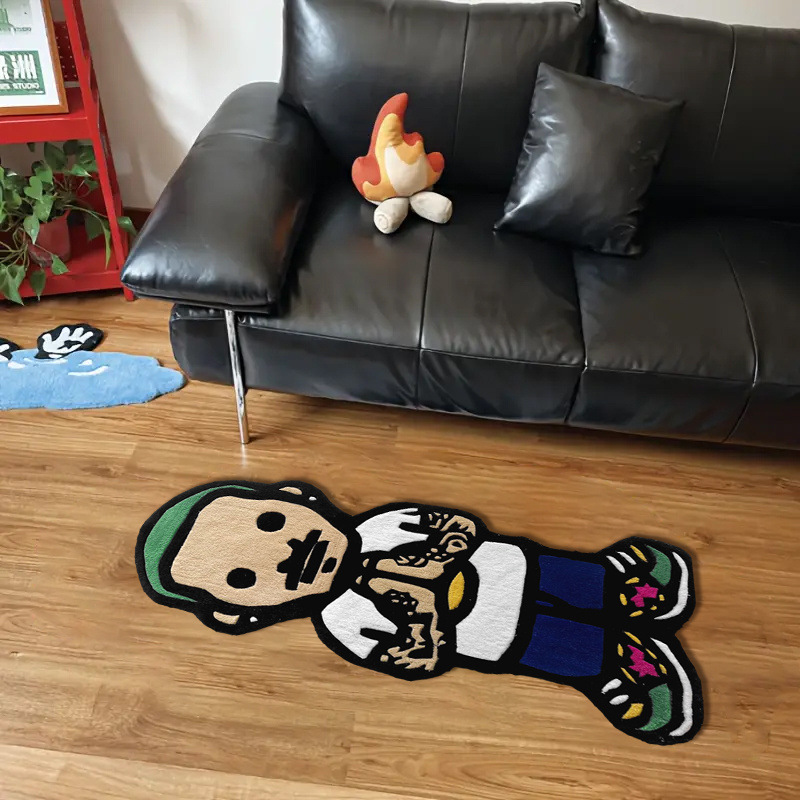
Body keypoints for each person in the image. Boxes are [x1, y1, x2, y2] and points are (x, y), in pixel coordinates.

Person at [136, 480, 702, 745]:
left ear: (297, 498)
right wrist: (421, 622)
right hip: (494, 637)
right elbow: (416, 659)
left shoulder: (381, 528)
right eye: (242, 578)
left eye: (270, 523)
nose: (286, 553)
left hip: (511, 569)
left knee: (568, 578)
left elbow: (461, 526)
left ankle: (622, 583)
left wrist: (435, 558)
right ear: (240, 614)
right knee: (558, 650)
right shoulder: (342, 620)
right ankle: (618, 665)